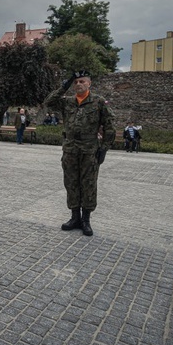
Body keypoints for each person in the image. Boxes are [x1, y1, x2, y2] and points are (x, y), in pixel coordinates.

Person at [44, 70, 115, 236]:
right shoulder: (67, 102)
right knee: (71, 183)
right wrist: (65, 84)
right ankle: (74, 217)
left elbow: (109, 125)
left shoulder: (98, 102)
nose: (78, 84)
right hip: (70, 149)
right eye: (76, 82)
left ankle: (86, 220)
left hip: (90, 150)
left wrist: (104, 148)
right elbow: (49, 101)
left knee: (88, 184)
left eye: (82, 81)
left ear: (89, 83)